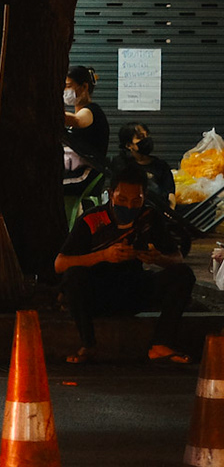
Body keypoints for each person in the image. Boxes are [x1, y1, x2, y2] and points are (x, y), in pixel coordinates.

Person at [54, 167, 195, 364]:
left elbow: (177, 258)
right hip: (98, 293)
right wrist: (104, 255)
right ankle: (88, 344)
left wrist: (157, 258)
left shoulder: (149, 218)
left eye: (136, 201)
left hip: (133, 289)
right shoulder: (92, 220)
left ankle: (161, 344)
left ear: (144, 197)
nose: (129, 206)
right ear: (111, 195)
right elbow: (60, 264)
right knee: (74, 276)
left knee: (183, 274)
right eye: (122, 200)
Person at [63, 65, 110, 196]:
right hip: (74, 172)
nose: (64, 91)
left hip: (87, 176)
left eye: (68, 86)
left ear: (84, 87)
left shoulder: (92, 111)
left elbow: (78, 120)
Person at [114, 122, 176, 212]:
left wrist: (170, 211)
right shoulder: (122, 165)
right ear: (128, 145)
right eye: (140, 137)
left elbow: (170, 193)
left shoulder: (161, 166)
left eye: (147, 135)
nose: (146, 139)